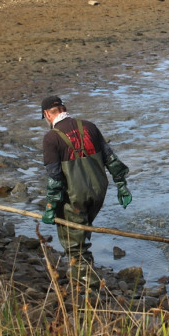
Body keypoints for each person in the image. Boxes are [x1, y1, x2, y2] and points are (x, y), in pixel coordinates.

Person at [41, 96, 133, 285]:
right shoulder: (89, 126)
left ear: (47, 115)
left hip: (75, 194)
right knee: (83, 226)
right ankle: (82, 269)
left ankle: (85, 278)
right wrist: (121, 185)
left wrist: (50, 206)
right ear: (64, 108)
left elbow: (55, 177)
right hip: (99, 191)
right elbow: (111, 159)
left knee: (71, 235)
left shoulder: (51, 138)